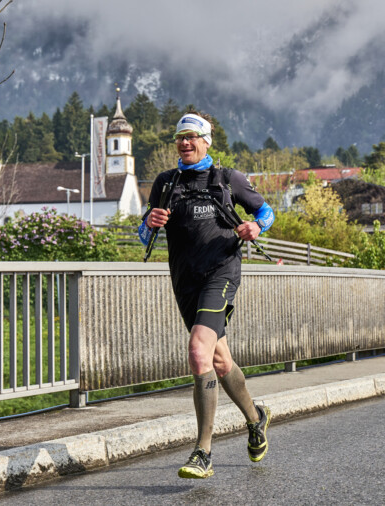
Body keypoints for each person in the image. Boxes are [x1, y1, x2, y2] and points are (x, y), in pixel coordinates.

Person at [138, 111, 275, 479]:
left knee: (198, 351)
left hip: (221, 273)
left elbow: (266, 211)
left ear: (206, 141)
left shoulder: (228, 179)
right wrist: (148, 222)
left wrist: (256, 227)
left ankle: (203, 451)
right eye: (180, 137)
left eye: (192, 137)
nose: (185, 143)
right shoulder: (166, 182)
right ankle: (256, 418)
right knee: (219, 360)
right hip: (185, 281)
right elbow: (144, 233)